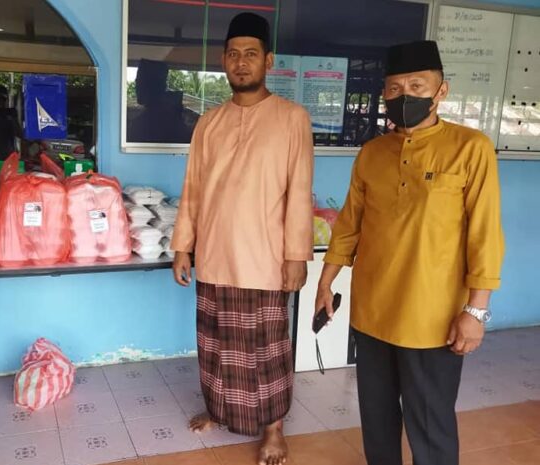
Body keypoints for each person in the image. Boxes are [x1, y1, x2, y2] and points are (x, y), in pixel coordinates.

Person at [315, 40, 505, 465]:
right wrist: (325, 283)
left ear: (442, 91)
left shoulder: (470, 148)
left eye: (418, 85)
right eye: (395, 88)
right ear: (384, 94)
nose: (406, 96)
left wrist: (475, 312)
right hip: (372, 312)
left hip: (432, 318)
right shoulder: (371, 154)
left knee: (430, 423)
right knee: (377, 420)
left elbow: (485, 234)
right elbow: (349, 226)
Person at [171, 12, 314, 465]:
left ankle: (273, 429)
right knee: (215, 345)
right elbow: (192, 188)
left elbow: (299, 192)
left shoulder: (293, 118)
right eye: (233, 55)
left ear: (268, 60)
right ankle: (219, 410)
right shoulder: (208, 123)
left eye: (251, 54)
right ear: (223, 62)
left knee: (266, 351)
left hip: (266, 258)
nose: (241, 63)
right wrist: (182, 246)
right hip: (214, 254)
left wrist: (297, 255)